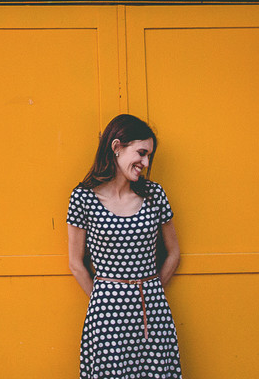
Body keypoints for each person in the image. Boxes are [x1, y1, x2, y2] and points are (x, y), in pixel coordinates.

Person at [67, 114, 181, 378]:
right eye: (141, 153)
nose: (146, 162)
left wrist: (151, 289)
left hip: (151, 312)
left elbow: (173, 253)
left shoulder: (154, 195)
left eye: (149, 155)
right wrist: (105, 297)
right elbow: (76, 262)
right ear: (117, 147)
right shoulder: (82, 198)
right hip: (107, 316)